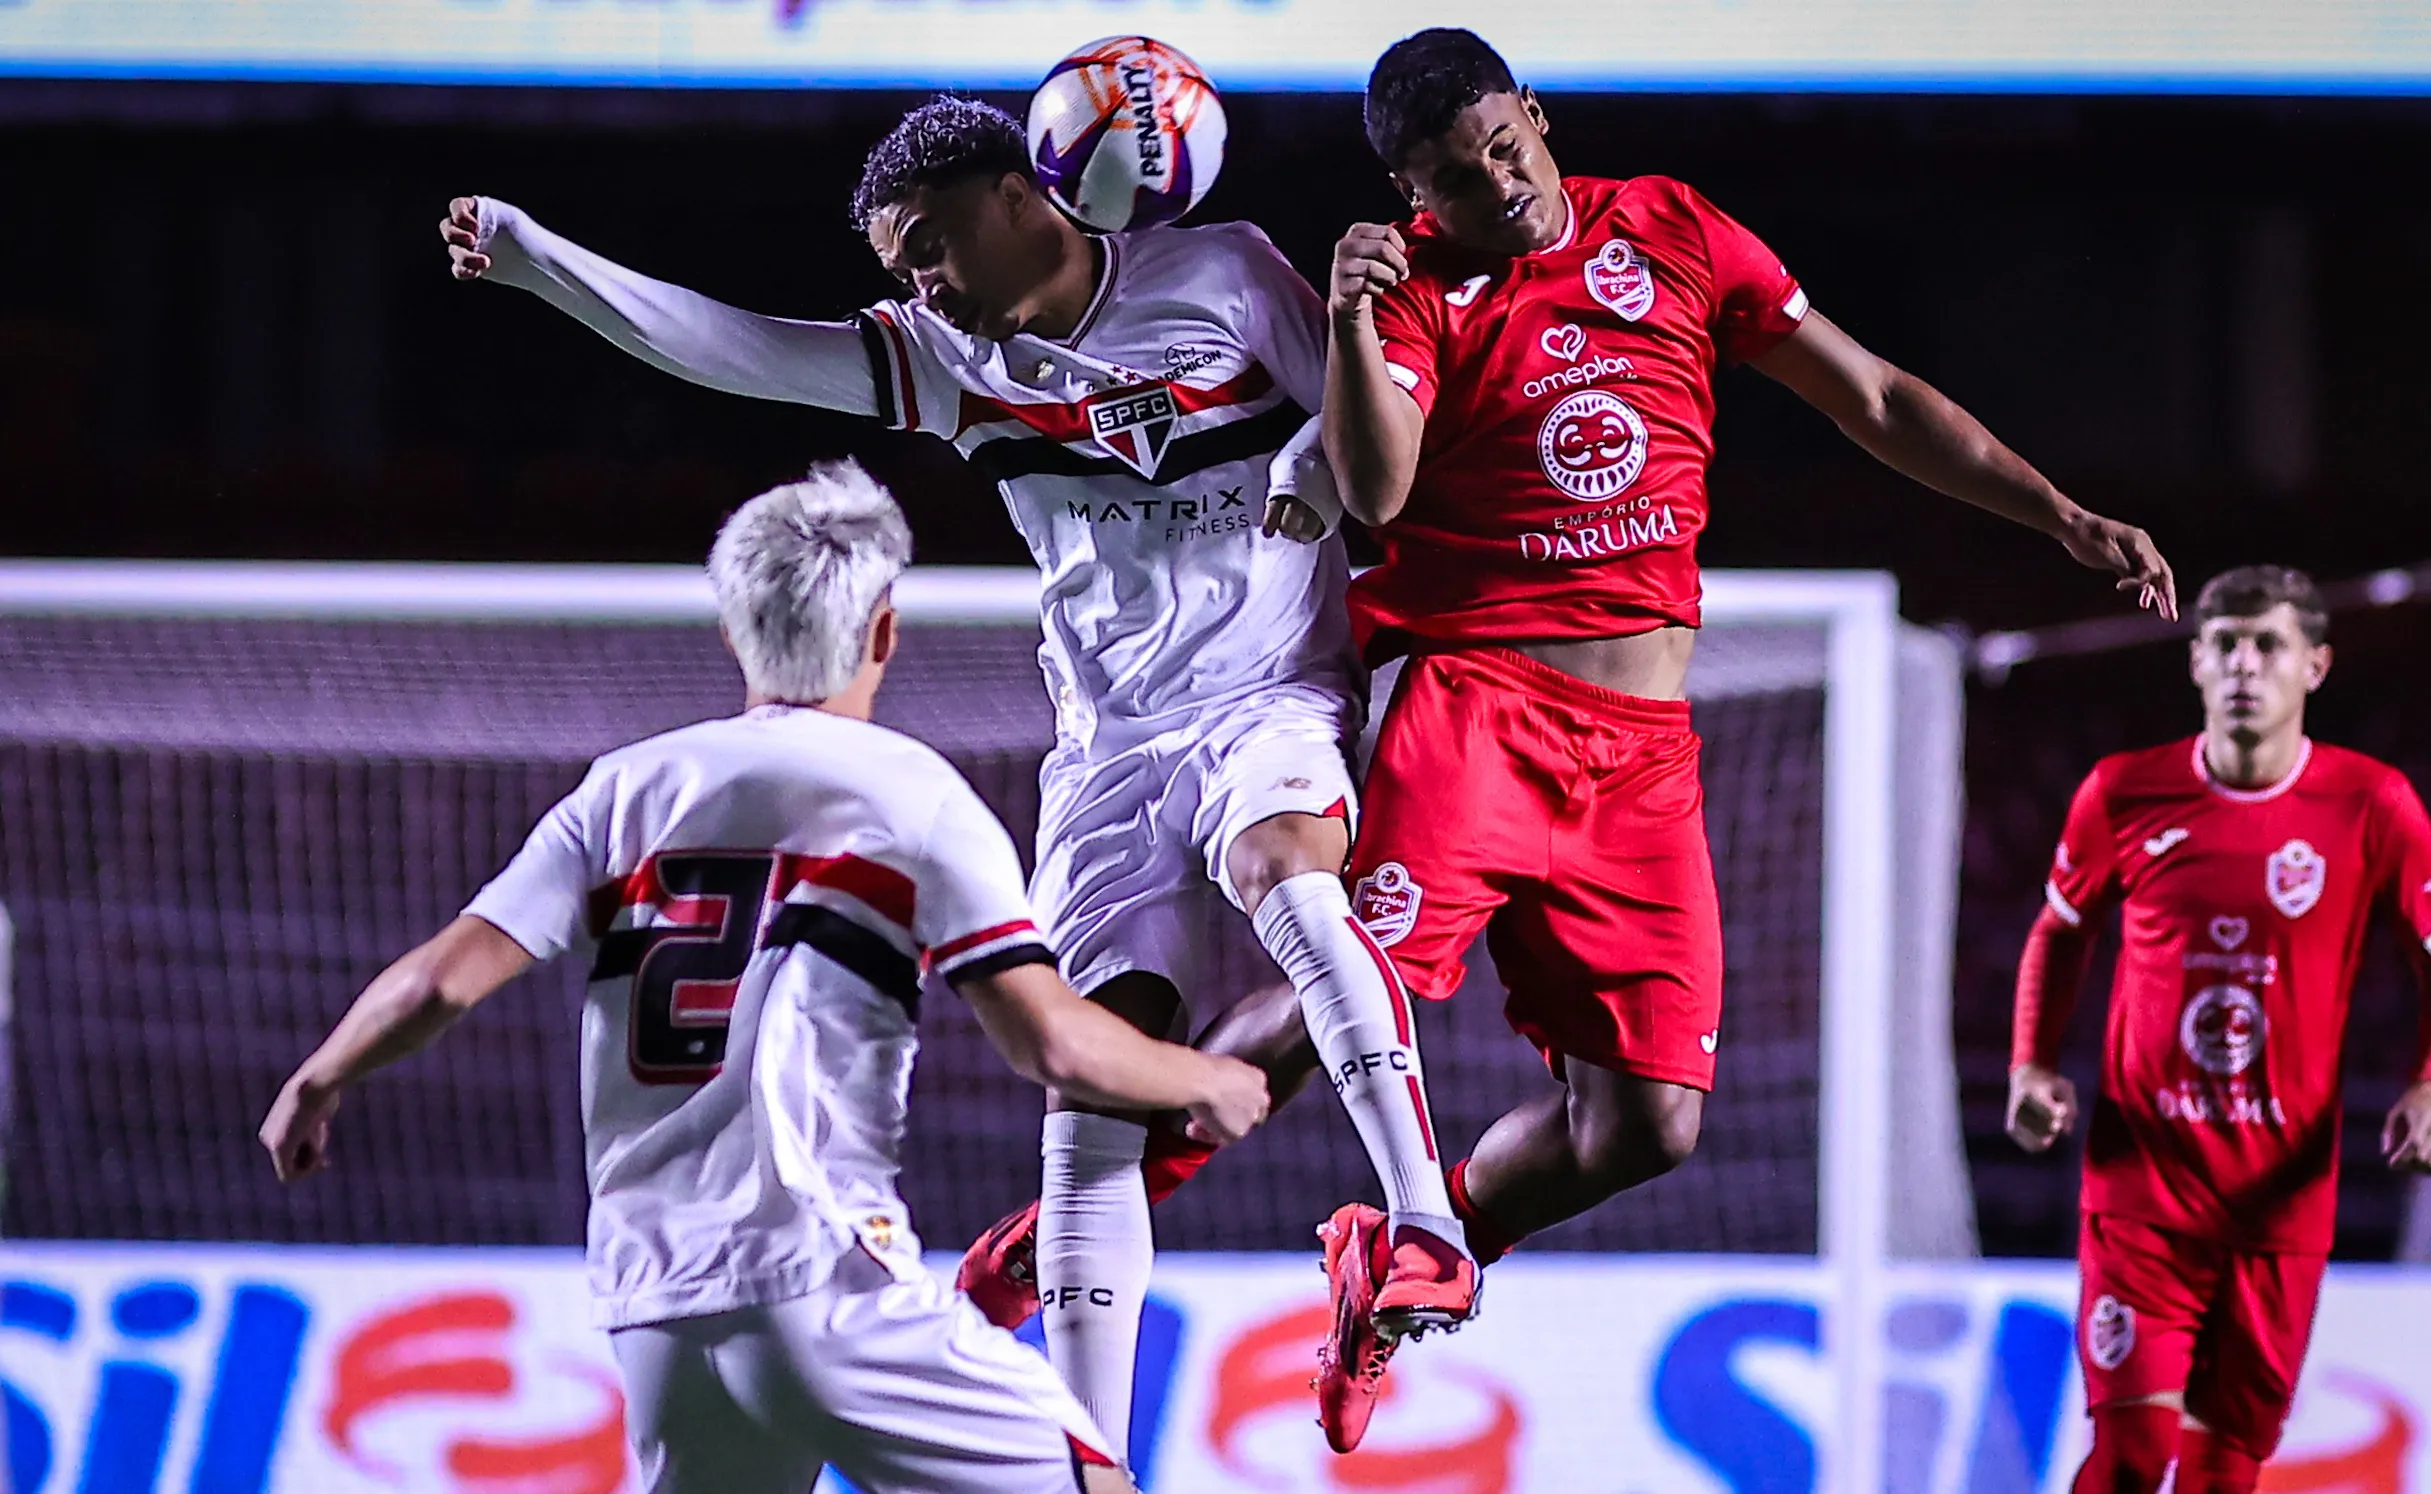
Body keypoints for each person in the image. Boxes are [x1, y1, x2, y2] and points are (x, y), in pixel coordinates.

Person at [435, 96, 1465, 1465]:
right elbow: (733, 347)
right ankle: (1093, 1455)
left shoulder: (1221, 271)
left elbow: (1365, 438)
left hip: (1268, 691)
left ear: (1013, 191)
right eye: (891, 265)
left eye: (922, 242)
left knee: (1289, 867)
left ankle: (1422, 1218)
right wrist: (539, 264)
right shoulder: (943, 357)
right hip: (1107, 749)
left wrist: (1301, 468)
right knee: (1088, 1108)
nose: (910, 282)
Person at [1293, 26, 2182, 1451]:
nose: (1499, 189)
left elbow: (1875, 398)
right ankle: (1079, 1202)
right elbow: (1378, 497)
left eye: (1506, 150)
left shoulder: (1671, 228)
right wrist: (1347, 317)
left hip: (1641, 742)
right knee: (1324, 998)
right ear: (1411, 192)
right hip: (1472, 705)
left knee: (1646, 1126)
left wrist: (2055, 512)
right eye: (1456, 181)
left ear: (1533, 112)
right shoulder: (1416, 291)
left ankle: (1405, 1250)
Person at [258, 464, 1273, 1494]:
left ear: (733, 631)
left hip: (655, 1303)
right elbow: (1049, 1042)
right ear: (884, 630)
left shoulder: (625, 788)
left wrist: (317, 1080)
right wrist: (1200, 1079)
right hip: (818, 1279)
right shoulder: (913, 792)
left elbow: (441, 979)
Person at [2010, 564, 2431, 1494]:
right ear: (2196, 662)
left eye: (2268, 645)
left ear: (2314, 666)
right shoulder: (2123, 793)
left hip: (2278, 1210)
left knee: (2219, 1473)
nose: (2246, 665)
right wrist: (2030, 1065)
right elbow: (2058, 933)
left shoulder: (2372, 804)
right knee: (2130, 1457)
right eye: (2226, 645)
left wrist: (2425, 1079)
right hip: (2140, 1196)